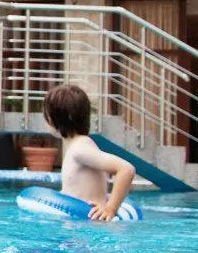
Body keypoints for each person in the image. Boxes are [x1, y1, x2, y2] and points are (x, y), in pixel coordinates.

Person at [43, 83, 135, 222]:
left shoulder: (79, 149)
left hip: (88, 226)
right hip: (85, 225)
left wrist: (110, 208)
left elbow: (126, 169)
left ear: (53, 119)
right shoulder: (82, 146)